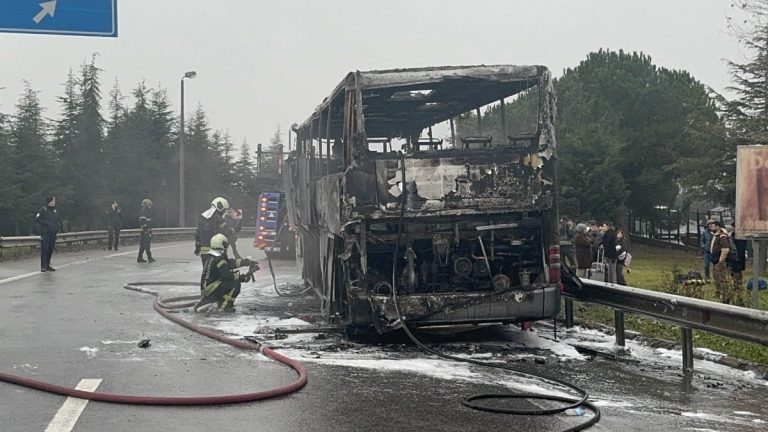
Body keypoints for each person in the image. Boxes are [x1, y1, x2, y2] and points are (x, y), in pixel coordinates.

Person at [194, 234, 259, 312]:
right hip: (211, 289)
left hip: (208, 288)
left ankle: (217, 302)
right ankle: (225, 307)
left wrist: (246, 262)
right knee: (234, 284)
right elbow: (227, 276)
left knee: (228, 282)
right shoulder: (219, 259)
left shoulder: (213, 256)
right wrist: (243, 278)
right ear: (223, 244)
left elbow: (229, 264)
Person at [195, 197, 236, 268]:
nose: (224, 212)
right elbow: (226, 232)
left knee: (206, 272)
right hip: (215, 251)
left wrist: (197, 247)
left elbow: (197, 235)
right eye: (223, 210)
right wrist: (234, 229)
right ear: (220, 207)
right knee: (217, 273)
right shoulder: (218, 218)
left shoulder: (203, 217)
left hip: (204, 252)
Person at [35, 196, 61, 272]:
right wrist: (46, 224)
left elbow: (57, 221)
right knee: (45, 249)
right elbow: (37, 219)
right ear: (48, 202)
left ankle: (47, 265)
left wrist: (57, 229)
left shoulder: (55, 211)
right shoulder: (43, 210)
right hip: (45, 233)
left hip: (53, 233)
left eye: (54, 201)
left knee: (50, 249)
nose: (54, 202)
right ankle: (43, 266)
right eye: (52, 201)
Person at [709, 220, 731, 304]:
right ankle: (717, 292)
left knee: (722, 278)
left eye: (713, 226)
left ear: (718, 226)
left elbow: (725, 249)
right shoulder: (715, 235)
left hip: (719, 261)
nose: (711, 227)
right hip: (714, 260)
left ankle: (723, 294)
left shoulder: (722, 236)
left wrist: (721, 261)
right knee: (716, 277)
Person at [728, 222, 748, 292]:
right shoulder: (730, 235)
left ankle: (738, 288)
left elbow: (741, 249)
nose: (732, 228)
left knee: (738, 273)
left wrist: (738, 258)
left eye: (733, 227)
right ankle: (735, 286)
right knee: (732, 273)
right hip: (731, 258)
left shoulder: (741, 237)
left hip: (738, 258)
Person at [137, 198, 155, 263]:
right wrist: (146, 230)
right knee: (147, 244)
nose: (150, 206)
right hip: (145, 231)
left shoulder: (145, 211)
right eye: (149, 205)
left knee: (142, 245)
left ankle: (139, 258)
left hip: (146, 230)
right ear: (147, 205)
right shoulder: (144, 211)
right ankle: (149, 258)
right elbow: (142, 222)